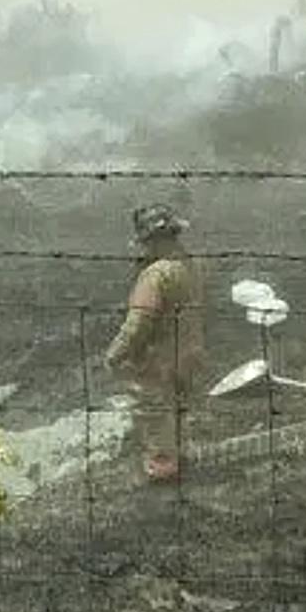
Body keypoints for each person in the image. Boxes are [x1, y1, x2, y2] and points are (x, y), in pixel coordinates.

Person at [104, 204, 206, 483]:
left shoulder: (155, 275)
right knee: (178, 409)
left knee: (153, 415)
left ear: (153, 240)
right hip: (189, 352)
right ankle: (179, 457)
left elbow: (139, 323)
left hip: (158, 361)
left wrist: (115, 353)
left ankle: (162, 475)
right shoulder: (191, 265)